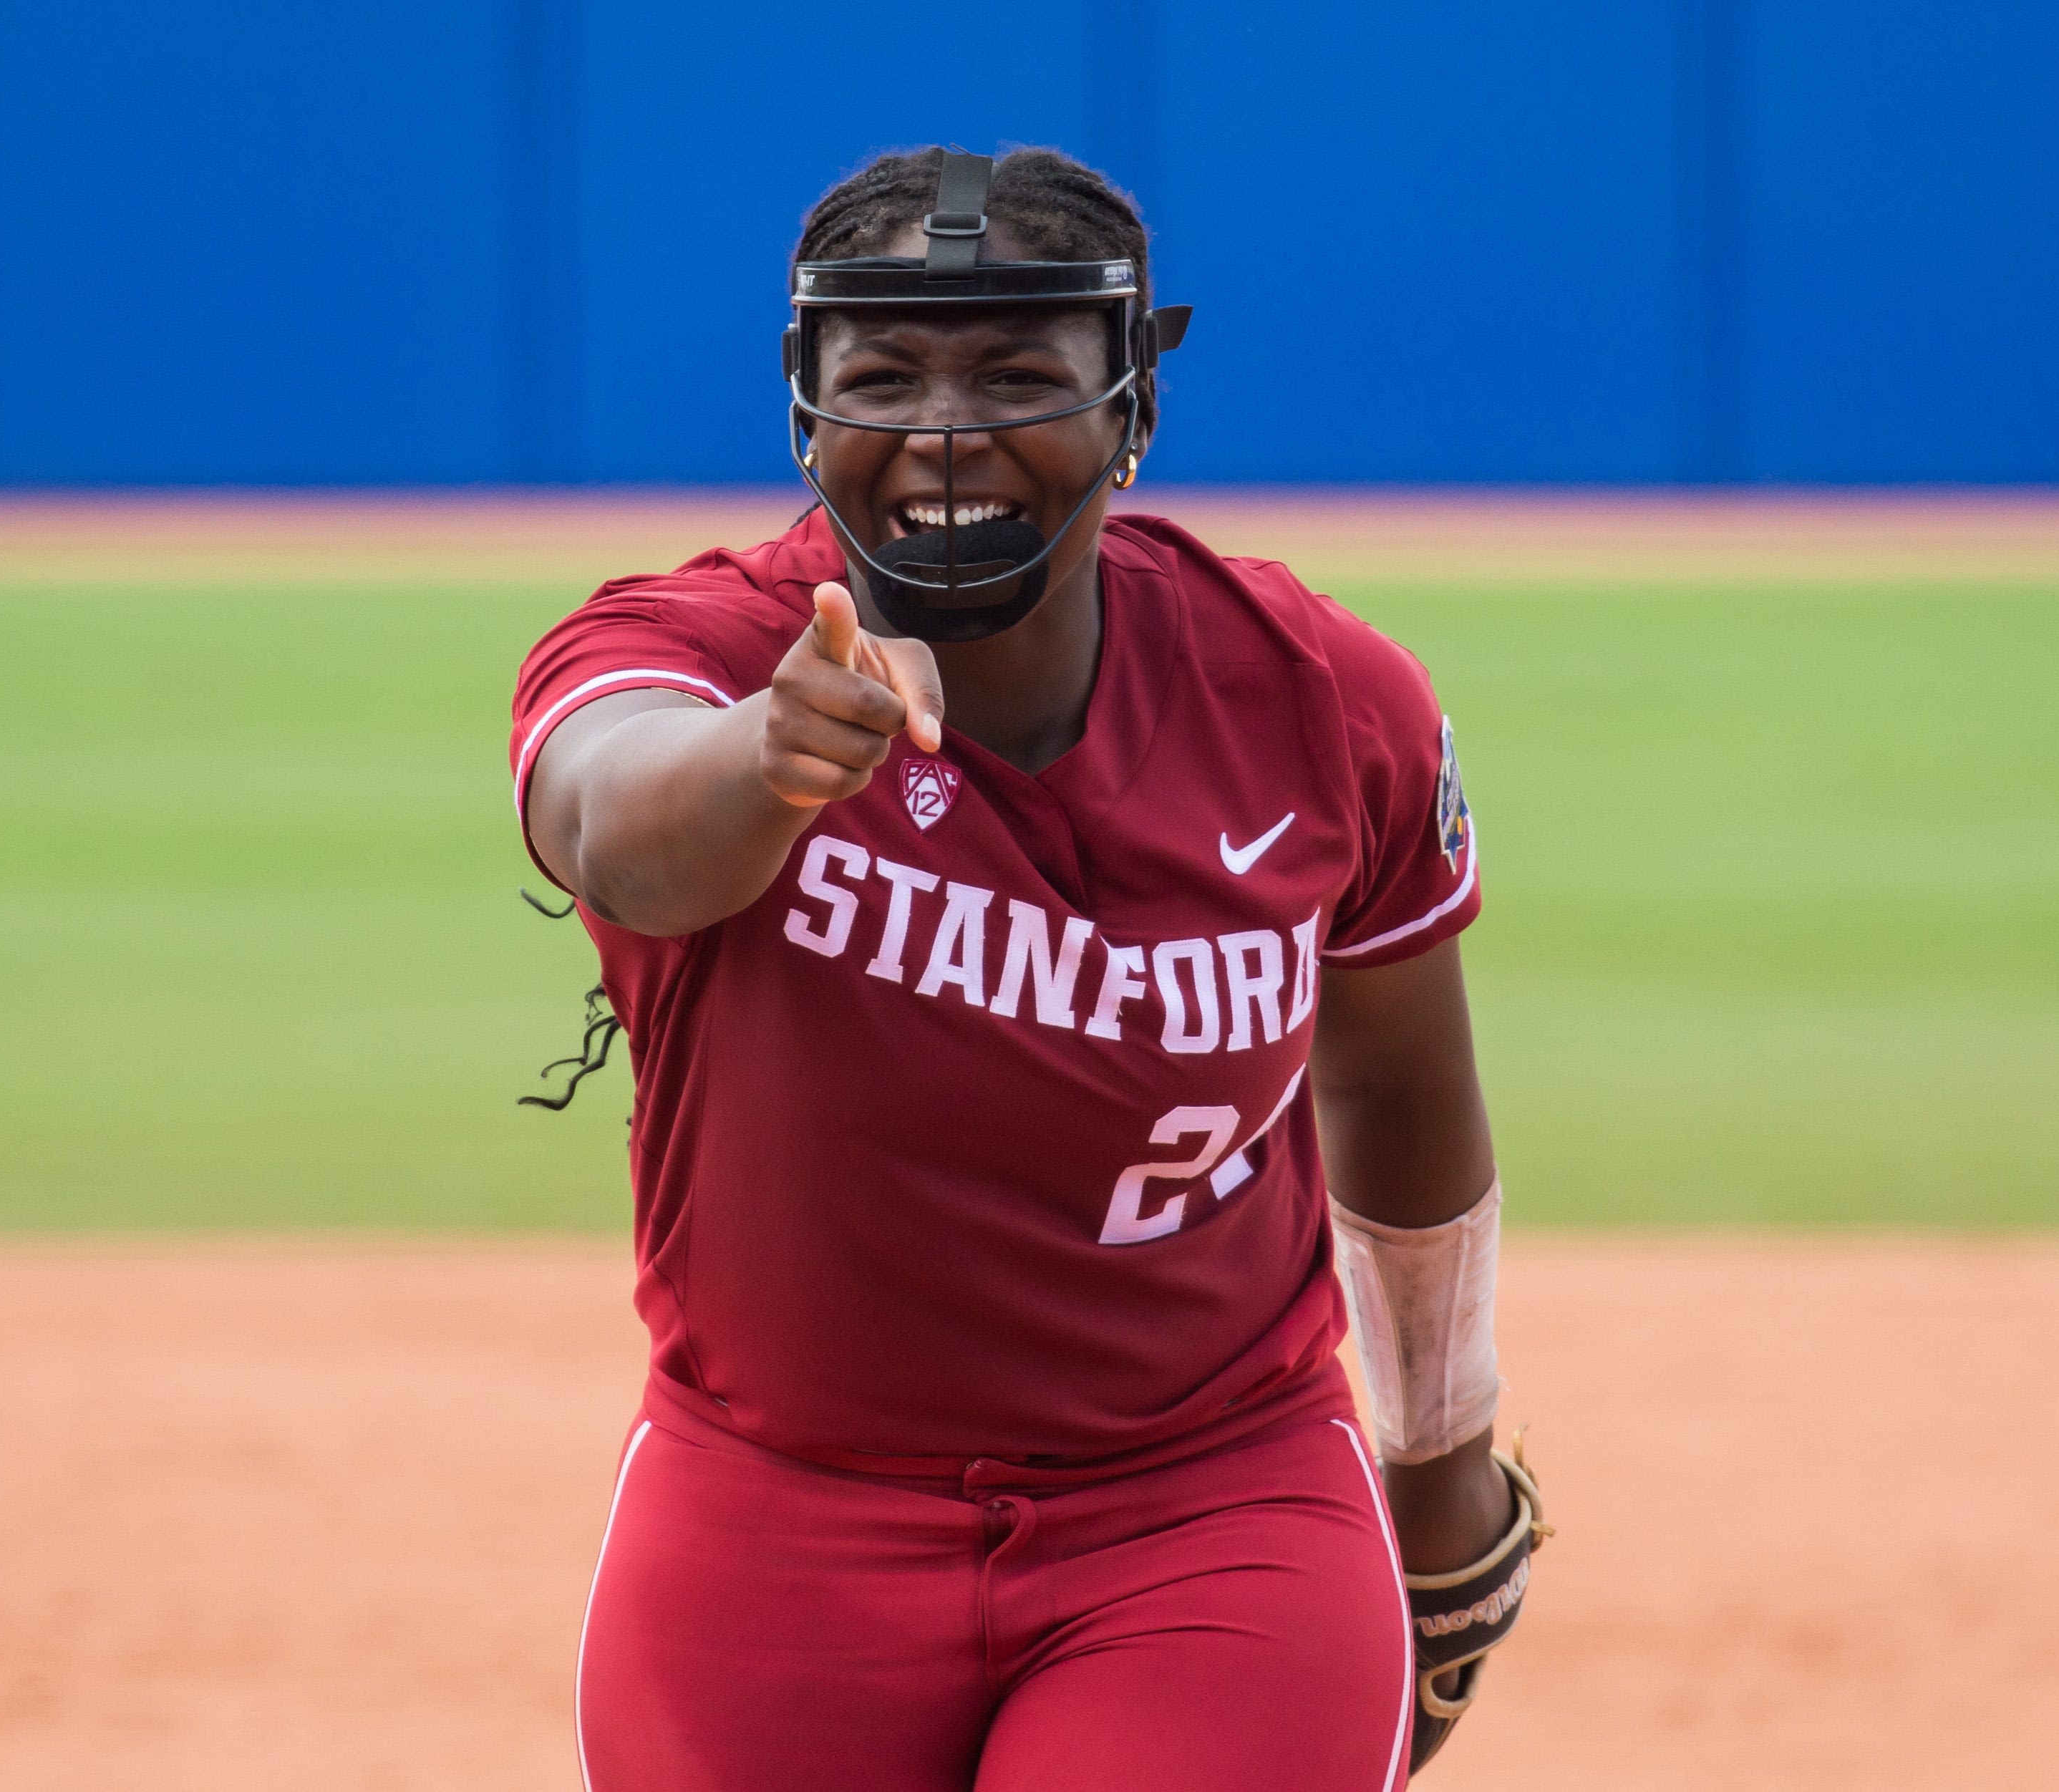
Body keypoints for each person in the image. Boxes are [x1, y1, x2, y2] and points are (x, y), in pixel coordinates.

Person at [510, 146, 1546, 1792]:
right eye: (884, 373)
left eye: (1017, 373)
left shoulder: (1316, 694)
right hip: (774, 1514)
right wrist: (767, 758)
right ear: (803, 402)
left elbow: (1399, 1084)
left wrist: (1439, 1473)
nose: (943, 430)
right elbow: (611, 821)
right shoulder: (695, 651)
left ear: (1133, 407)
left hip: (1209, 1508)